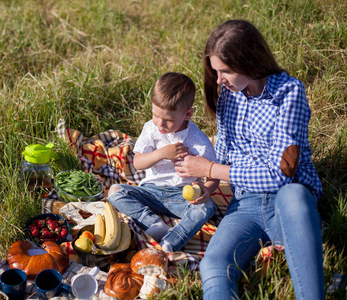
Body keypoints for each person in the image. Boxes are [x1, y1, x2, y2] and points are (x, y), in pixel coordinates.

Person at [175, 20, 325, 299]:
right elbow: (226, 147)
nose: (218, 80)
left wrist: (211, 168)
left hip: (287, 200)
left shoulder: (288, 93)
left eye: (226, 71)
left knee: (293, 195)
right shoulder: (229, 95)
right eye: (215, 71)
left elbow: (280, 174)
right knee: (214, 264)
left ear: (250, 61)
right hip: (245, 203)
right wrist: (209, 183)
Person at [108, 72, 220, 253]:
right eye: (155, 115)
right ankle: (153, 223)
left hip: (182, 197)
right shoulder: (151, 129)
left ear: (187, 114)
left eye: (168, 120)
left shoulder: (198, 141)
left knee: (207, 206)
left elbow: (212, 175)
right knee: (115, 191)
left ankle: (173, 240)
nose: (160, 124)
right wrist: (161, 154)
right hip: (151, 192)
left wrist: (207, 190)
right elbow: (138, 163)